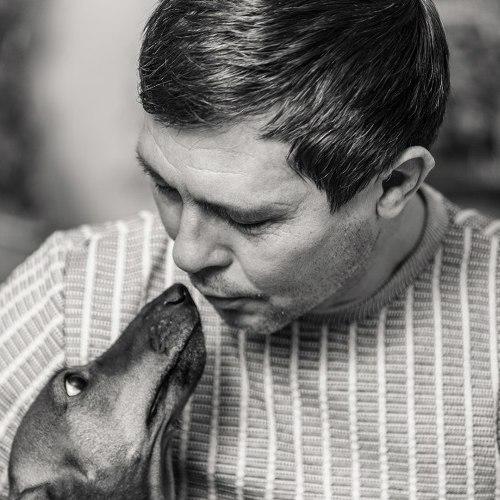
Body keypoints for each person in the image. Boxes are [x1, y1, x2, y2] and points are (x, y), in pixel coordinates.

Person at [1, 0, 499, 497]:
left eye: (248, 219)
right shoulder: (64, 294)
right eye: (166, 187)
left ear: (393, 183)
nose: (186, 256)